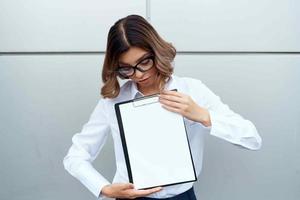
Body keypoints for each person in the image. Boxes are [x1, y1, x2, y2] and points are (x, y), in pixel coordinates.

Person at [63, 14, 262, 200]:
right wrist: (104, 188)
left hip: (182, 196)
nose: (138, 74)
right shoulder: (112, 102)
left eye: (144, 62)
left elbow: (252, 139)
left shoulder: (192, 90)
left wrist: (203, 115)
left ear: (156, 52)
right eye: (127, 68)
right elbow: (75, 157)